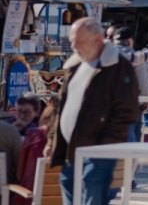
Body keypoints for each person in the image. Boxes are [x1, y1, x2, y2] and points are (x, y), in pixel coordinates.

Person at [47, 17, 140, 205]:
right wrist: (51, 139)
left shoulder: (118, 66)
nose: (73, 46)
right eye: (72, 41)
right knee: (68, 184)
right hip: (72, 148)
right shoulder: (75, 65)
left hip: (99, 151)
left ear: (97, 39)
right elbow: (61, 106)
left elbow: (126, 111)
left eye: (78, 41)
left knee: (92, 192)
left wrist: (105, 146)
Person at [13, 94, 46, 205]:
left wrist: (28, 128)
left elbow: (20, 174)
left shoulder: (40, 131)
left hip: (29, 183)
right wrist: (13, 131)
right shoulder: (9, 125)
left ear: (37, 113)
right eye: (18, 111)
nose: (22, 116)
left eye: (27, 113)